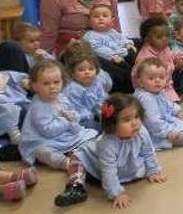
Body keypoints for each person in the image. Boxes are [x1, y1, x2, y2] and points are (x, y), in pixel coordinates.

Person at [18, 60, 97, 207]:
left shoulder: (61, 98)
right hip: (44, 140)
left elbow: (74, 115)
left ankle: (81, 156)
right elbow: (48, 130)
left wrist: (72, 119)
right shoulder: (37, 107)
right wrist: (66, 121)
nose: (53, 87)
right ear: (35, 86)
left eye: (56, 82)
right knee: (42, 152)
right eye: (46, 84)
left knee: (91, 134)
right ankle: (66, 163)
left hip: (65, 136)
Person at [72, 94, 166, 209]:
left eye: (136, 117)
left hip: (125, 164)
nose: (135, 123)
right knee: (78, 159)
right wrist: (117, 193)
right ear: (112, 124)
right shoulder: (107, 144)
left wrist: (153, 171)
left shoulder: (141, 132)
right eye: (127, 120)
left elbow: (148, 152)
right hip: (95, 160)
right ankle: (75, 183)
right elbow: (108, 169)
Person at [132, 58, 183, 150]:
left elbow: (168, 104)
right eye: (151, 78)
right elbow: (153, 122)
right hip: (152, 131)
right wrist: (167, 132)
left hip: (162, 121)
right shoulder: (146, 98)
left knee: (177, 122)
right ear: (140, 82)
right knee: (171, 138)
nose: (157, 81)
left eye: (161, 77)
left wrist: (176, 111)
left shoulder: (159, 91)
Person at [131, 18, 183, 103]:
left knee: (180, 67)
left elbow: (172, 54)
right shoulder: (145, 57)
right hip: (151, 88)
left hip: (166, 83)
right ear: (147, 39)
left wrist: (179, 58)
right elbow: (139, 78)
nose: (165, 39)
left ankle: (179, 92)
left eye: (167, 36)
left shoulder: (164, 48)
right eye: (159, 37)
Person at [61, 47, 113, 131]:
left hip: (93, 114)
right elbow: (79, 111)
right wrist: (96, 118)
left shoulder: (97, 81)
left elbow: (102, 97)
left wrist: (103, 110)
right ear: (72, 73)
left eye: (91, 69)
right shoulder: (73, 89)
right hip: (79, 119)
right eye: (81, 70)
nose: (87, 72)